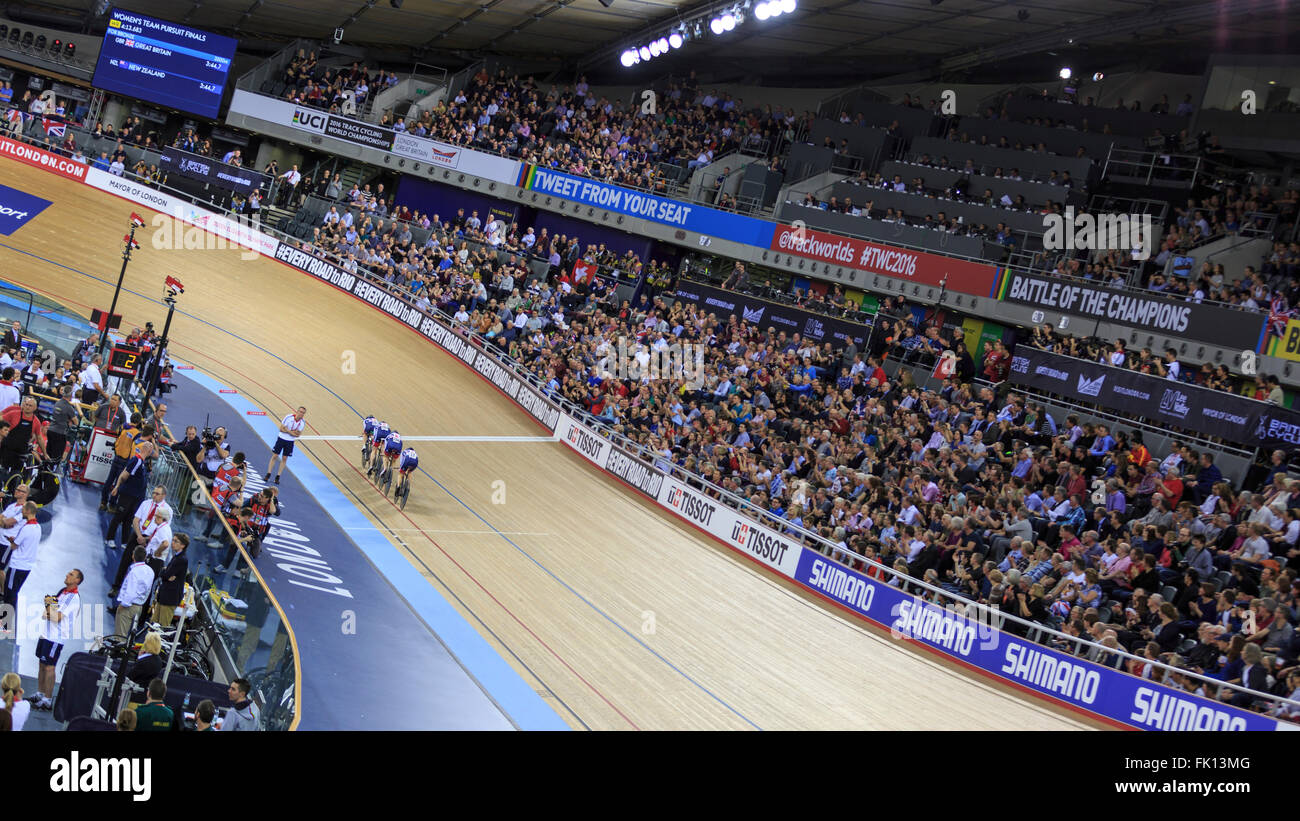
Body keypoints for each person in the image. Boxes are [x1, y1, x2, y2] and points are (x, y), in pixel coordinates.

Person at [29, 568, 82, 712]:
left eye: (71, 574)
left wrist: (49, 610)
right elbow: (49, 611)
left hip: (56, 637)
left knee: (49, 667)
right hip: (47, 633)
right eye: (68, 573)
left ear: (77, 581)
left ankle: (47, 699)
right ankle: (40, 693)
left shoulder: (72, 597)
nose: (67, 575)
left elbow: (56, 617)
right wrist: (49, 610)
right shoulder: (63, 591)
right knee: (42, 663)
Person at [105, 441, 154, 556]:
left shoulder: (142, 462)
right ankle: (109, 538)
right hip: (127, 494)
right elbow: (124, 475)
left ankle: (124, 541)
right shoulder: (136, 460)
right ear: (148, 450)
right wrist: (117, 487)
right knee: (119, 516)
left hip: (135, 497)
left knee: (129, 519)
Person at [3, 502, 40, 609]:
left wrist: (11, 540)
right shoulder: (37, 527)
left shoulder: (26, 528)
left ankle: (6, 622)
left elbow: (14, 546)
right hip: (27, 567)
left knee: (9, 593)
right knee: (14, 591)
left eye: (23, 509)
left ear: (28, 511)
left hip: (17, 566)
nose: (22, 511)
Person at [0, 396, 47, 476]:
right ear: (23, 405)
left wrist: (45, 454)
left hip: (21, 453)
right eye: (26, 404)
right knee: (2, 473)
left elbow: (39, 438)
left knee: (16, 476)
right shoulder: (13, 414)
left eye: (30, 405)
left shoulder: (36, 422)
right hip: (7, 450)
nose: (27, 407)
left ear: (35, 408)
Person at [114, 547, 154, 639]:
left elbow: (130, 592)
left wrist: (123, 605)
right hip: (139, 607)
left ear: (133, 556)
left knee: (120, 637)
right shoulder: (150, 571)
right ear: (144, 557)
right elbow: (148, 590)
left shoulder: (134, 572)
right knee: (129, 637)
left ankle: (118, 653)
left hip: (128, 607)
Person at [153, 533, 188, 627]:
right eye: (173, 540)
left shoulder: (181, 559)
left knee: (162, 627)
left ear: (183, 545)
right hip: (164, 596)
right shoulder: (176, 557)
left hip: (170, 598)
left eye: (176, 541)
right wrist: (164, 573)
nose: (173, 543)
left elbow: (165, 575)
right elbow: (165, 575)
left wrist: (165, 573)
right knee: (154, 623)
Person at [266, 406, 306, 485]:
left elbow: (297, 435)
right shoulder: (289, 417)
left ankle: (278, 476)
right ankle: (268, 473)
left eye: (303, 413)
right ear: (297, 411)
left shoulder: (302, 422)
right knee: (275, 456)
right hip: (281, 438)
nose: (301, 414)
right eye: (300, 412)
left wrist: (287, 430)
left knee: (284, 458)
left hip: (290, 441)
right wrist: (292, 432)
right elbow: (281, 429)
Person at [44, 385, 80, 465]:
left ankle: (43, 473)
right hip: (60, 433)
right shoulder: (69, 407)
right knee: (56, 457)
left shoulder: (57, 403)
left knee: (48, 454)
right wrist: (70, 419)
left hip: (51, 430)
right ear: (71, 395)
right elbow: (76, 422)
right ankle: (50, 475)